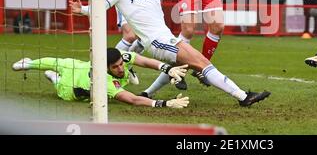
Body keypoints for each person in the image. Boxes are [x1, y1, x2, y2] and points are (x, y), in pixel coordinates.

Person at [71, 0, 270, 107]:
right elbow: (100, 8)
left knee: (186, 65)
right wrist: (83, 10)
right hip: (156, 42)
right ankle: (243, 96)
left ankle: (147, 93)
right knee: (202, 63)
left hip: (166, 38)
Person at [11, 48, 189, 108]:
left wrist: (166, 68)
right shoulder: (105, 83)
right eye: (115, 67)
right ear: (104, 68)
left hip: (80, 65)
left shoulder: (121, 56)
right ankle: (40, 70)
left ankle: (37, 67)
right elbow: (133, 99)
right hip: (70, 86)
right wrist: (164, 103)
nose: (120, 68)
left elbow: (143, 60)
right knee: (56, 69)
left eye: (121, 64)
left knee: (61, 62)